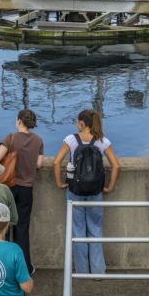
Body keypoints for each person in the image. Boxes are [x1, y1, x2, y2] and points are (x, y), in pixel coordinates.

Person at [52, 109, 120, 275]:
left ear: (82, 123)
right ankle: (98, 271)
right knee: (95, 230)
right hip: (96, 191)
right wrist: (110, 187)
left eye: (77, 122)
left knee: (78, 231)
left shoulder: (71, 140)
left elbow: (56, 162)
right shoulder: (102, 141)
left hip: (75, 190)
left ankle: (82, 271)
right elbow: (116, 166)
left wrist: (60, 182)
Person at [0, 109, 44, 274]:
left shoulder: (10, 138)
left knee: (3, 228)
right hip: (26, 190)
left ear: (19, 121)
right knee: (22, 229)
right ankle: (25, 268)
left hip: (8, 188)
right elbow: (39, 164)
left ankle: (4, 267)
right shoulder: (38, 140)